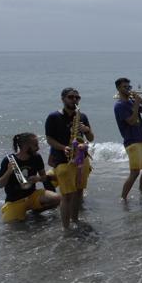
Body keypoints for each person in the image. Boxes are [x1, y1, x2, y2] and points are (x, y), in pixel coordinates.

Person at [45, 87, 94, 230]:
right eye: (71, 97)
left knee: (79, 192)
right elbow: (49, 139)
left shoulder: (82, 116)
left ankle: (75, 221)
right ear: (63, 99)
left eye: (77, 98)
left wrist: (86, 130)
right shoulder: (53, 117)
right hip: (63, 159)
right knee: (66, 195)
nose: (74, 100)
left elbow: (90, 138)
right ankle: (66, 229)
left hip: (81, 159)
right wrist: (63, 147)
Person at [0, 133, 61, 222]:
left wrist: (37, 178)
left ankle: (35, 212)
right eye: (35, 145)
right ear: (25, 146)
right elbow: (0, 184)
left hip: (32, 195)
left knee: (57, 199)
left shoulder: (36, 157)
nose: (38, 148)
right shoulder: (9, 160)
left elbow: (43, 177)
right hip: (15, 200)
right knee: (13, 227)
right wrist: (8, 172)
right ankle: (19, 212)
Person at [114, 78, 142, 201]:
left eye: (129, 87)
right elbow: (131, 121)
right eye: (125, 87)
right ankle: (123, 198)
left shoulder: (132, 101)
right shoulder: (119, 105)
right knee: (135, 172)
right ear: (118, 89)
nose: (128, 89)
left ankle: (141, 190)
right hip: (132, 141)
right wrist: (136, 105)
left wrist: (141, 101)